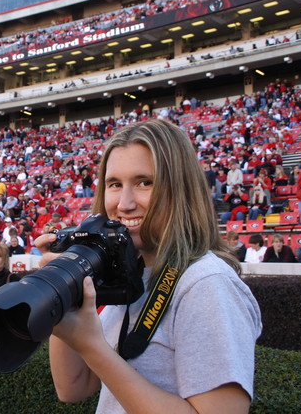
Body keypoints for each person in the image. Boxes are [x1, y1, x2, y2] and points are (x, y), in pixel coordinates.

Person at [36, 120, 261, 414]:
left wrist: (92, 345)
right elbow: (73, 387)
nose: (124, 204)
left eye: (145, 182)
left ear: (181, 190)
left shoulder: (206, 284)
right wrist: (63, 290)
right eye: (114, 184)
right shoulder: (131, 273)